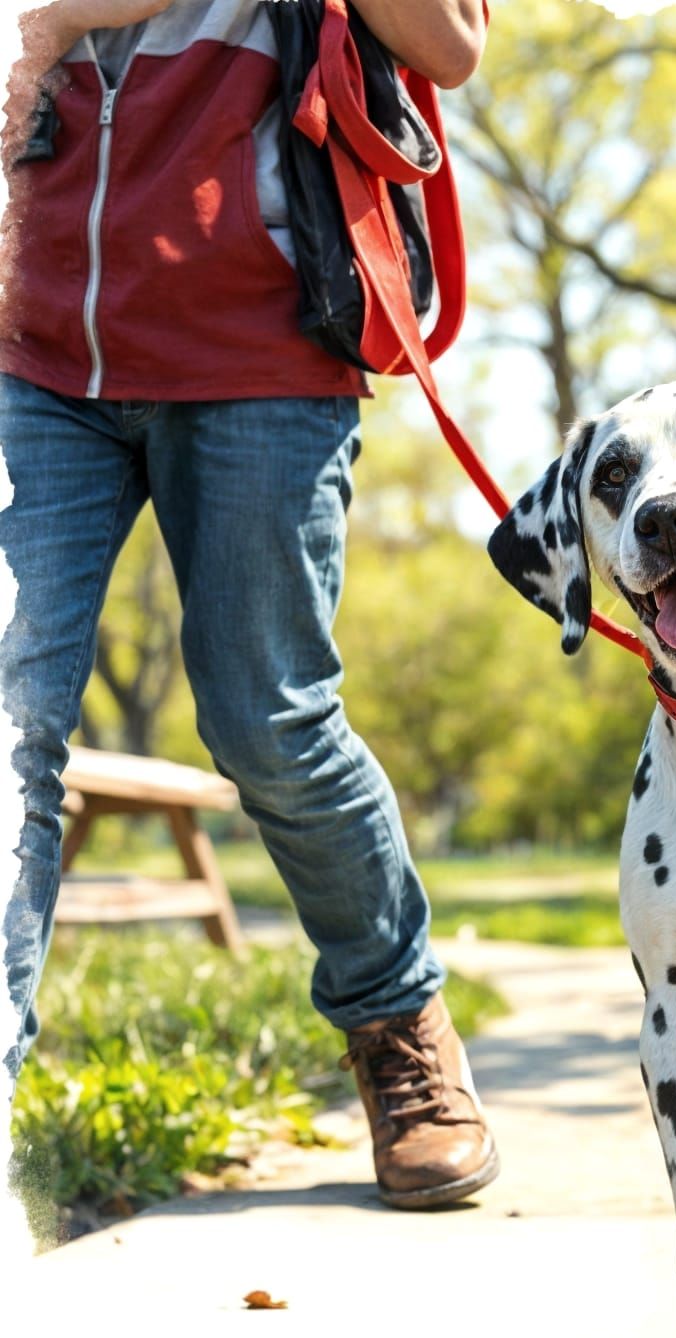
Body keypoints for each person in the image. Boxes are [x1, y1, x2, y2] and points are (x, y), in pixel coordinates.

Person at [0, 0, 500, 1209]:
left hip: (260, 342)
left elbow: (450, 43)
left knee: (268, 722)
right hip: (31, 336)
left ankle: (396, 1020)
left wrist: (61, 18)